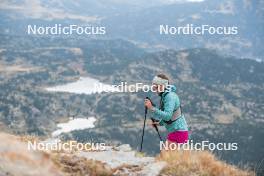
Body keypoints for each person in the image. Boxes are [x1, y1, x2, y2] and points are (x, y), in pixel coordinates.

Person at [144, 74, 189, 147]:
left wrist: (152, 108)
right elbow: (172, 116)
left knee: (165, 156)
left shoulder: (169, 97)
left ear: (162, 86)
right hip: (179, 132)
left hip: (178, 132)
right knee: (168, 157)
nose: (154, 90)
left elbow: (168, 116)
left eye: (156, 87)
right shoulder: (166, 95)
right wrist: (159, 123)